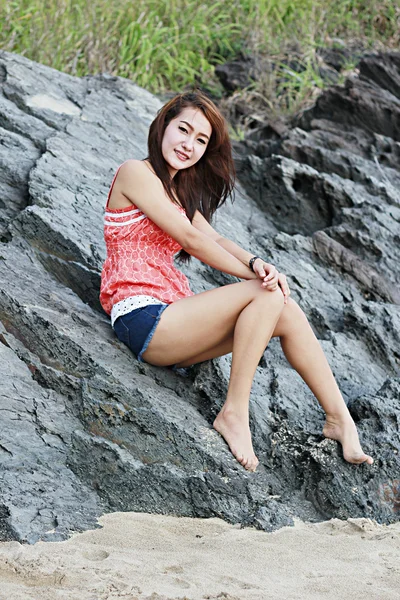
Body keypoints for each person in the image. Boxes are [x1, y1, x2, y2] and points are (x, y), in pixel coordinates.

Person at [100, 91, 373, 472]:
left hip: (172, 321)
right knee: (267, 294)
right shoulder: (135, 172)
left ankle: (338, 418)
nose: (188, 144)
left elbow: (214, 238)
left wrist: (258, 263)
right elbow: (192, 241)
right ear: (163, 125)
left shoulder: (177, 191)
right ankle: (234, 412)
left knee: (286, 311)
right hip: (141, 317)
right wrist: (255, 277)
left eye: (200, 140)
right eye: (183, 130)